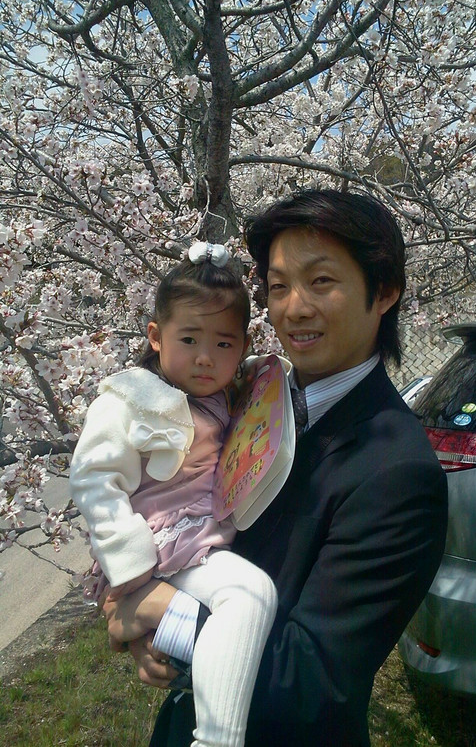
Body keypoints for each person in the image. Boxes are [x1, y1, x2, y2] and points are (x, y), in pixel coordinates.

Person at [106, 189, 448, 747]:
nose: (294, 308)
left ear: (384, 292)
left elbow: (314, 680)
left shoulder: (398, 474)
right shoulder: (255, 398)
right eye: (280, 286)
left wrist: (163, 614)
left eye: (321, 281)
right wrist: (156, 634)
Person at [69, 242, 278, 747]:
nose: (206, 358)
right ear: (156, 337)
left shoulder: (227, 395)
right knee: (250, 595)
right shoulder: (131, 399)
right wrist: (130, 563)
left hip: (200, 542)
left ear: (243, 346)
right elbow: (94, 478)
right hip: (161, 548)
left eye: (224, 344)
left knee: (225, 620)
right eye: (188, 339)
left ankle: (196, 698)